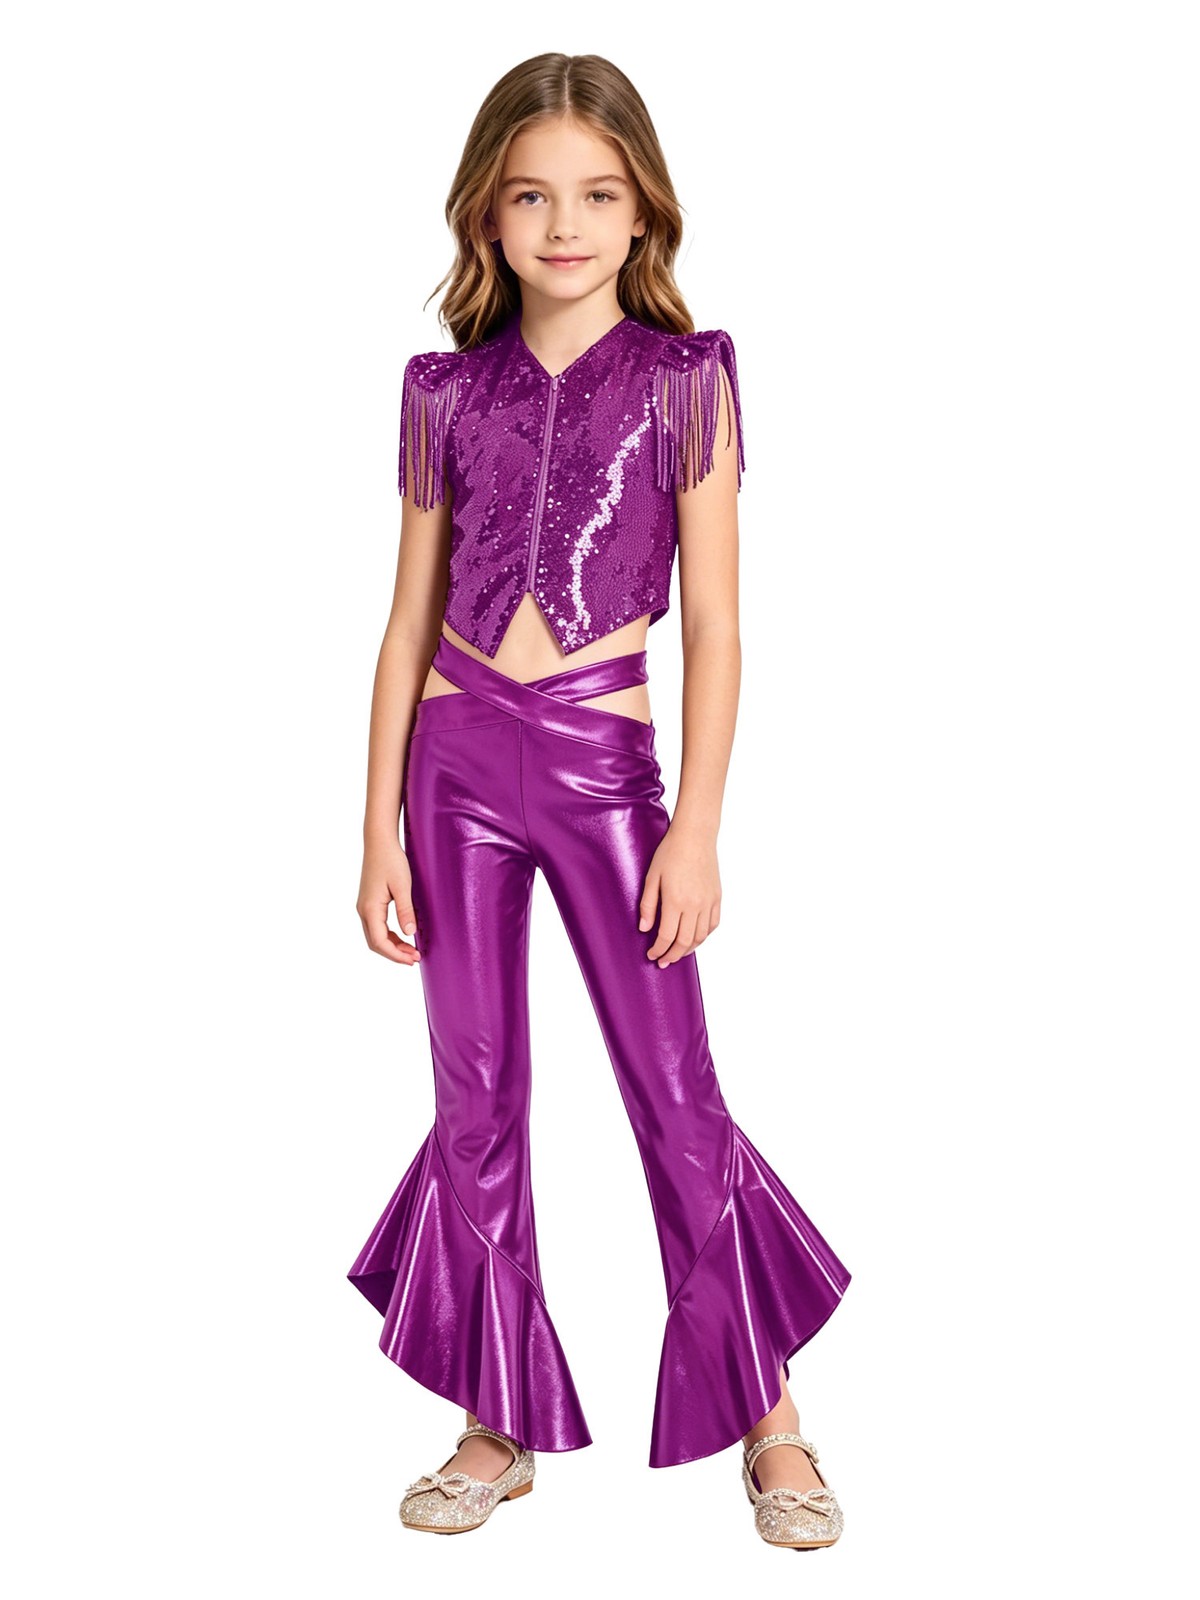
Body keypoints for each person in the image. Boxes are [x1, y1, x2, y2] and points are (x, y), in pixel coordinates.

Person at [348, 52, 852, 1550]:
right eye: (530, 196)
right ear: (487, 216)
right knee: (475, 1096)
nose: (562, 224)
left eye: (595, 194)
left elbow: (719, 628)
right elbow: (403, 622)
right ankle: (491, 1419)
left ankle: (771, 1418)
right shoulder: (445, 391)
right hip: (454, 770)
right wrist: (374, 827)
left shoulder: (687, 381)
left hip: (603, 767)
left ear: (643, 214)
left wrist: (696, 825)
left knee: (674, 1092)